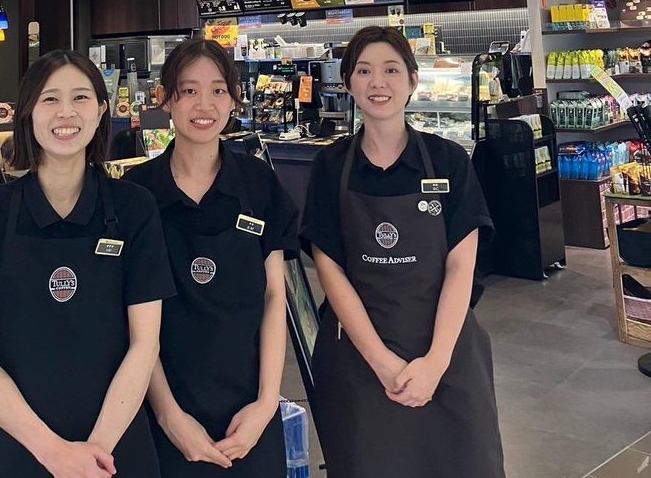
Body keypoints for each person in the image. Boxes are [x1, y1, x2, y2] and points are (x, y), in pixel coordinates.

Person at [0, 50, 175, 477]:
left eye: (81, 97)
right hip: (19, 447)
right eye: (50, 99)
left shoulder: (135, 209)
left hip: (117, 448)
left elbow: (145, 345)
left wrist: (95, 451)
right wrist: (55, 453)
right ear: (27, 112)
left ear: (101, 111)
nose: (66, 112)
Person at [300, 26, 505, 478]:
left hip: (446, 350)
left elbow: (461, 266)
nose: (378, 83)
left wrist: (435, 362)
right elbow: (330, 271)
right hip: (359, 358)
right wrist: (383, 363)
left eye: (391, 70)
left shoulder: (449, 160)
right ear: (348, 83)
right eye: (364, 71)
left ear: (413, 80)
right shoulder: (331, 166)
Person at [130, 37, 299, 476]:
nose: (204, 105)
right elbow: (131, 318)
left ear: (234, 99)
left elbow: (274, 297)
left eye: (218, 90)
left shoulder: (259, 184)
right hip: (160, 409)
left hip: (249, 412)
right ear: (164, 98)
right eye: (189, 90)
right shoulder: (136, 194)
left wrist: (266, 403)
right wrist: (168, 415)